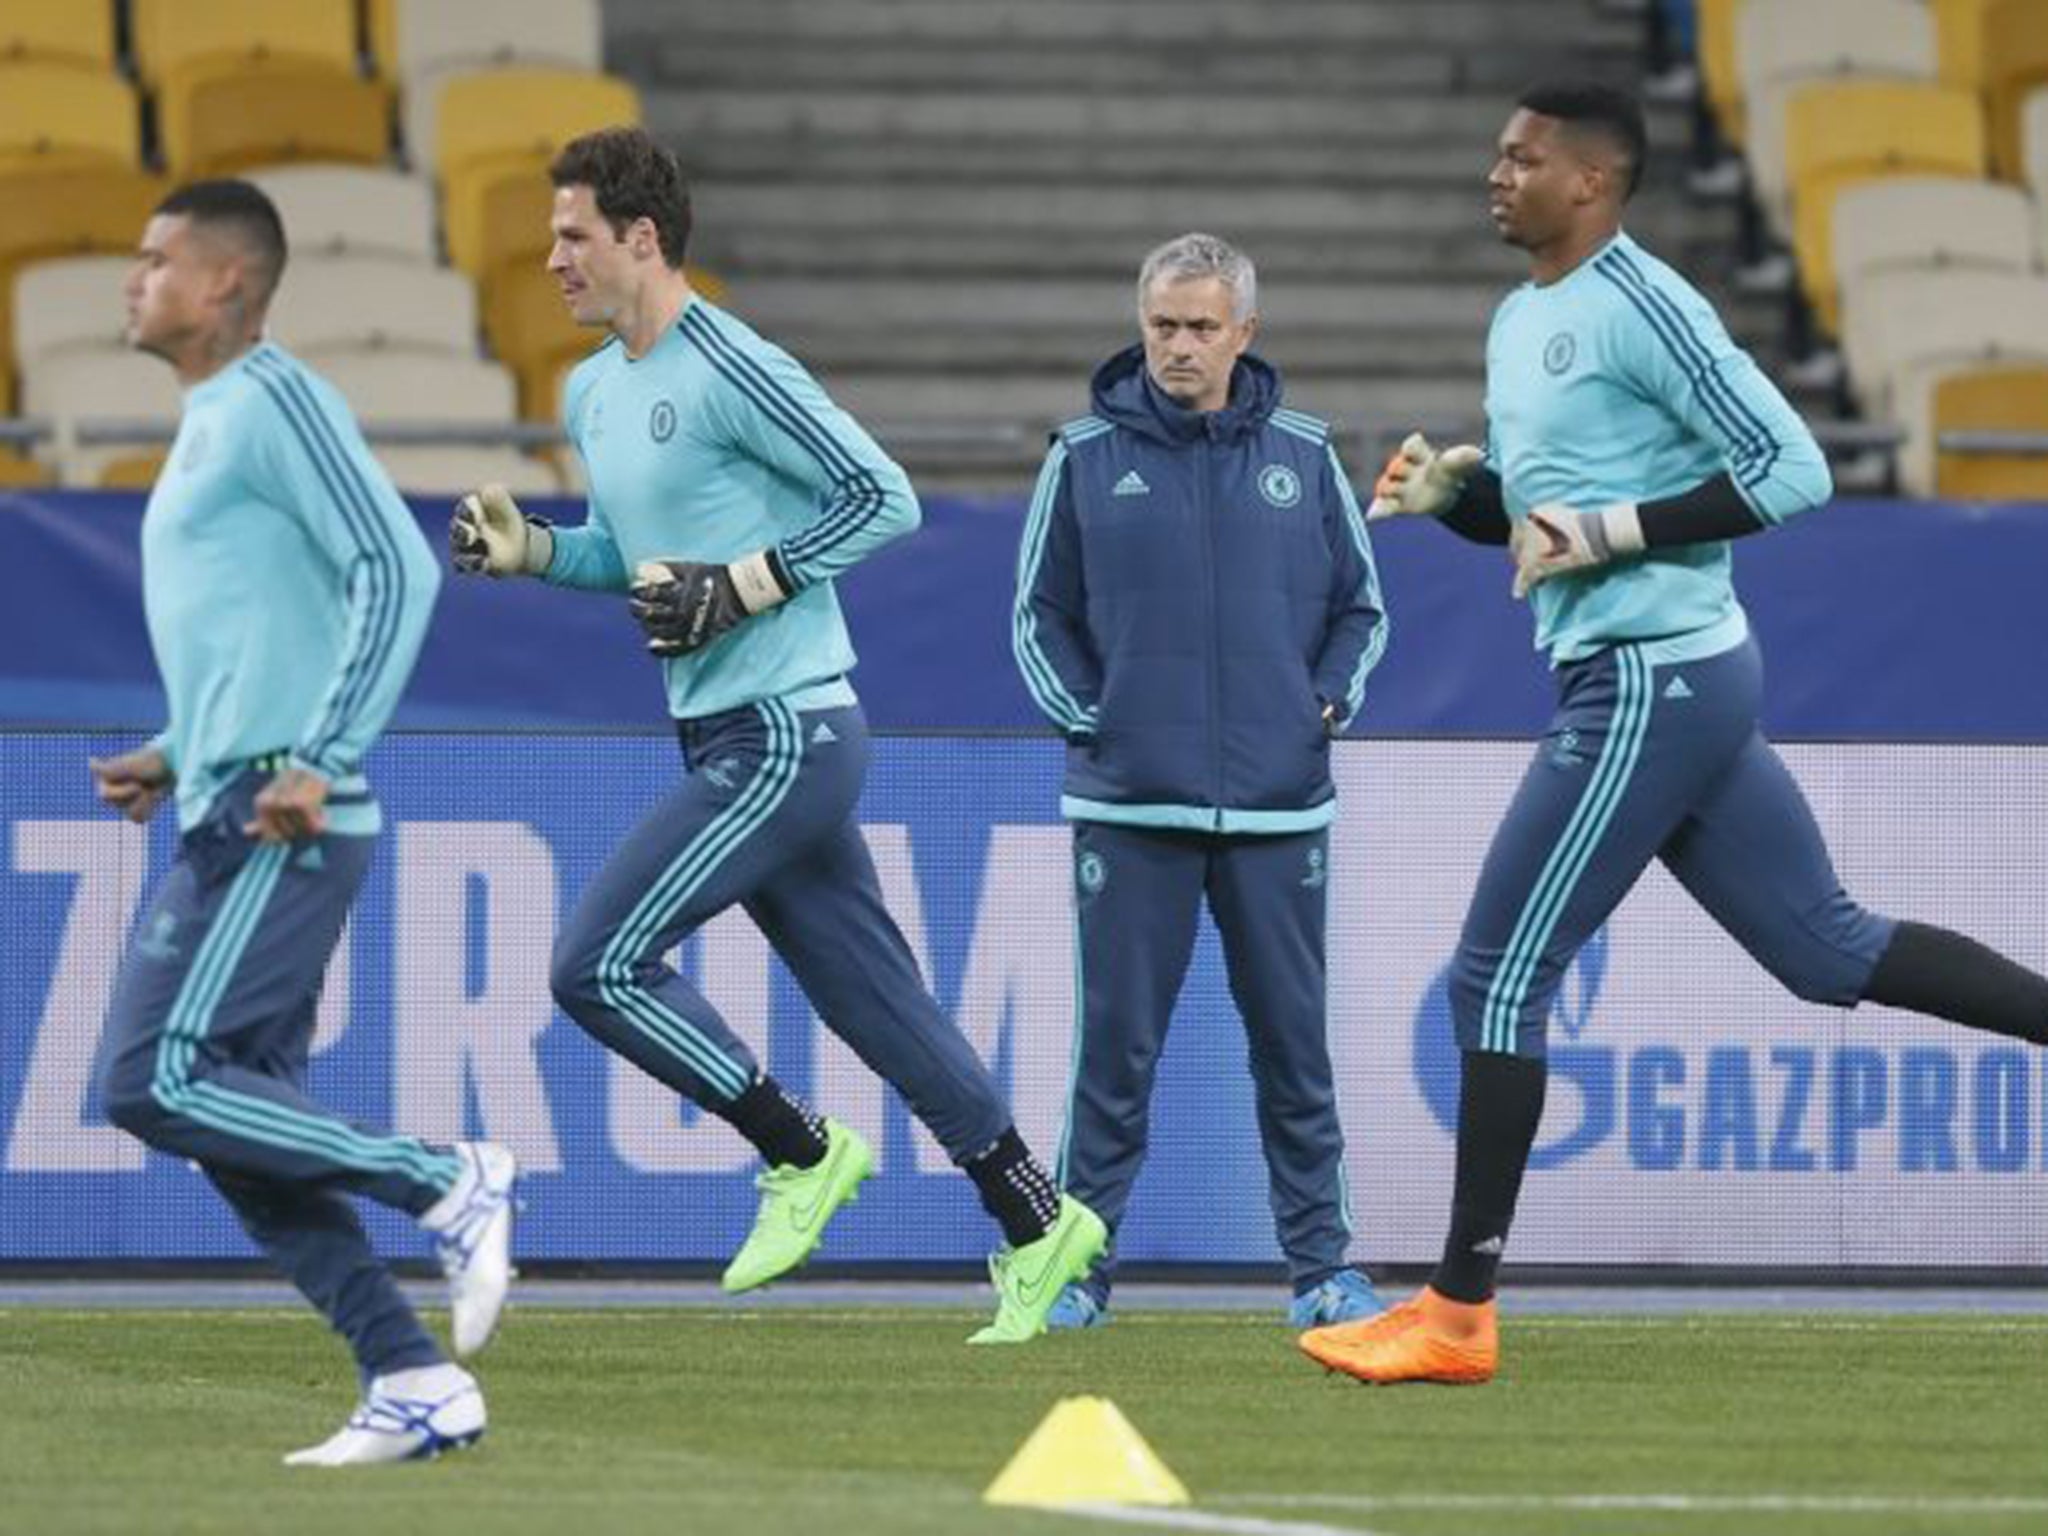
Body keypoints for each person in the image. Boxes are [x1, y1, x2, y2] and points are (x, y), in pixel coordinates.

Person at [1300, 82, 2048, 1385]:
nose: (1497, 173)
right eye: (1498, 153)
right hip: (1650, 675)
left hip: (1654, 677)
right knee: (1830, 949)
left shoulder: (1646, 305)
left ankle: (1457, 1316)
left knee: (1495, 978)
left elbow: (1791, 469)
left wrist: (1609, 533)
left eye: (1523, 158)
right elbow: (1551, 526)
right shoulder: (1524, 314)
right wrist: (1461, 503)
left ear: (1592, 182)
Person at [447, 126, 1104, 1342]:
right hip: (720, 739)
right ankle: (1034, 1218)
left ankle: (798, 1150)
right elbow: (636, 562)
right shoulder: (592, 388)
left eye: (572, 236)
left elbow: (880, 496)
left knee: (593, 965)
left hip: (790, 733)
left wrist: (743, 584)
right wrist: (534, 553)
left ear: (641, 240)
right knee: (881, 1004)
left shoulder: (730, 363)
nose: (550, 261)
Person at [91, 180, 517, 1463]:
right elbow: (263, 626)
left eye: (158, 257)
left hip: (288, 817)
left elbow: (390, 562)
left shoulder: (275, 398)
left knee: (153, 1079)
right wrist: (181, 751)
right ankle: (410, 1376)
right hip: (234, 796)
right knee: (236, 1124)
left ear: (226, 284)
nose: (133, 276)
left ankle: (445, 1176)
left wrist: (321, 757)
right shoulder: (212, 421)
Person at [1013, 232, 1390, 1330]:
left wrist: (1319, 708)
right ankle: (1074, 1272)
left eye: (1200, 327)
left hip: (1279, 805)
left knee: (1292, 1048)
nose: (1179, 346)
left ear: (1243, 334)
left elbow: (1361, 610)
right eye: (1162, 326)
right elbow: (1038, 617)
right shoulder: (1080, 456)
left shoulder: (1308, 456)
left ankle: (1321, 1271)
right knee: (1113, 1058)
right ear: (1141, 326)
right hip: (1130, 805)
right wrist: (1098, 719)